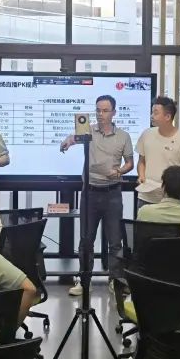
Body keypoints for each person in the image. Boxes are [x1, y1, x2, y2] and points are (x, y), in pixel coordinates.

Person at [60, 94, 134, 284]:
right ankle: (85, 281)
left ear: (114, 112)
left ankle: (116, 282)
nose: (101, 114)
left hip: (113, 193)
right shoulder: (88, 131)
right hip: (90, 193)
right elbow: (73, 138)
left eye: (105, 111)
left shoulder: (123, 136)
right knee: (86, 240)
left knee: (115, 242)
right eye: (98, 110)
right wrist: (67, 142)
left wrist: (119, 171)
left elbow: (130, 163)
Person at [136, 96, 180, 206]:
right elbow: (141, 161)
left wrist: (178, 188)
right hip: (145, 196)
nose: (151, 116)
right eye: (152, 112)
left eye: (155, 113)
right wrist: (141, 175)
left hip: (170, 199)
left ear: (167, 116)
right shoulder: (146, 134)